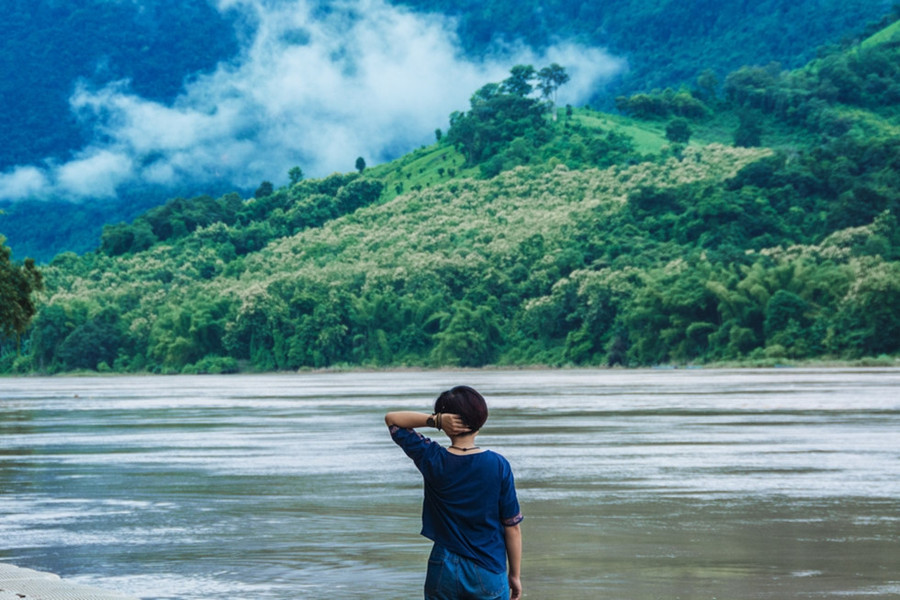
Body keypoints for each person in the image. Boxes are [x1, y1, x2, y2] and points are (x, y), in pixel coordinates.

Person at [385, 385, 523, 600]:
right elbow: (512, 527)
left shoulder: (431, 457)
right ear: (481, 418)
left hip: (443, 566)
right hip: (488, 567)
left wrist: (435, 420)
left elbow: (392, 419)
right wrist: (514, 575)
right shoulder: (497, 465)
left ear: (446, 420)